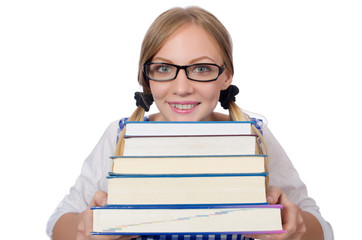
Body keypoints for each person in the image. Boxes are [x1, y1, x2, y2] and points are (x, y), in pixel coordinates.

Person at [47, 6, 334, 240]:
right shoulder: (121, 137)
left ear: (226, 76)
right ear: (146, 77)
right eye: (163, 68)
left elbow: (321, 227)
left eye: (201, 68)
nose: (182, 87)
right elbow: (59, 220)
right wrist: (83, 231)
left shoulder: (253, 136)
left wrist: (296, 227)